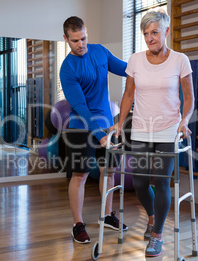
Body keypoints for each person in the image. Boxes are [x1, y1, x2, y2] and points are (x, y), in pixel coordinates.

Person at [113, 8, 194, 257]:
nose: (150, 38)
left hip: (168, 130)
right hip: (140, 129)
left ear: (166, 32)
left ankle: (157, 234)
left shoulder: (180, 60)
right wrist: (119, 122)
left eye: (155, 32)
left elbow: (189, 97)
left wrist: (185, 121)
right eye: (146, 33)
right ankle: (152, 217)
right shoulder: (135, 60)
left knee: (160, 182)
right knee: (138, 183)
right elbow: (128, 94)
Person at [60, 16, 128, 244]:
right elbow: (80, 107)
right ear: (66, 39)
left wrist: (151, 65)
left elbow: (126, 69)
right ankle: (77, 224)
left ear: (87, 33)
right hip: (81, 127)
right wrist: (99, 135)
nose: (81, 44)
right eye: (75, 40)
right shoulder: (67, 69)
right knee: (80, 175)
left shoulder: (100, 52)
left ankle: (107, 216)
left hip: (107, 124)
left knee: (109, 172)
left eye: (84, 38)